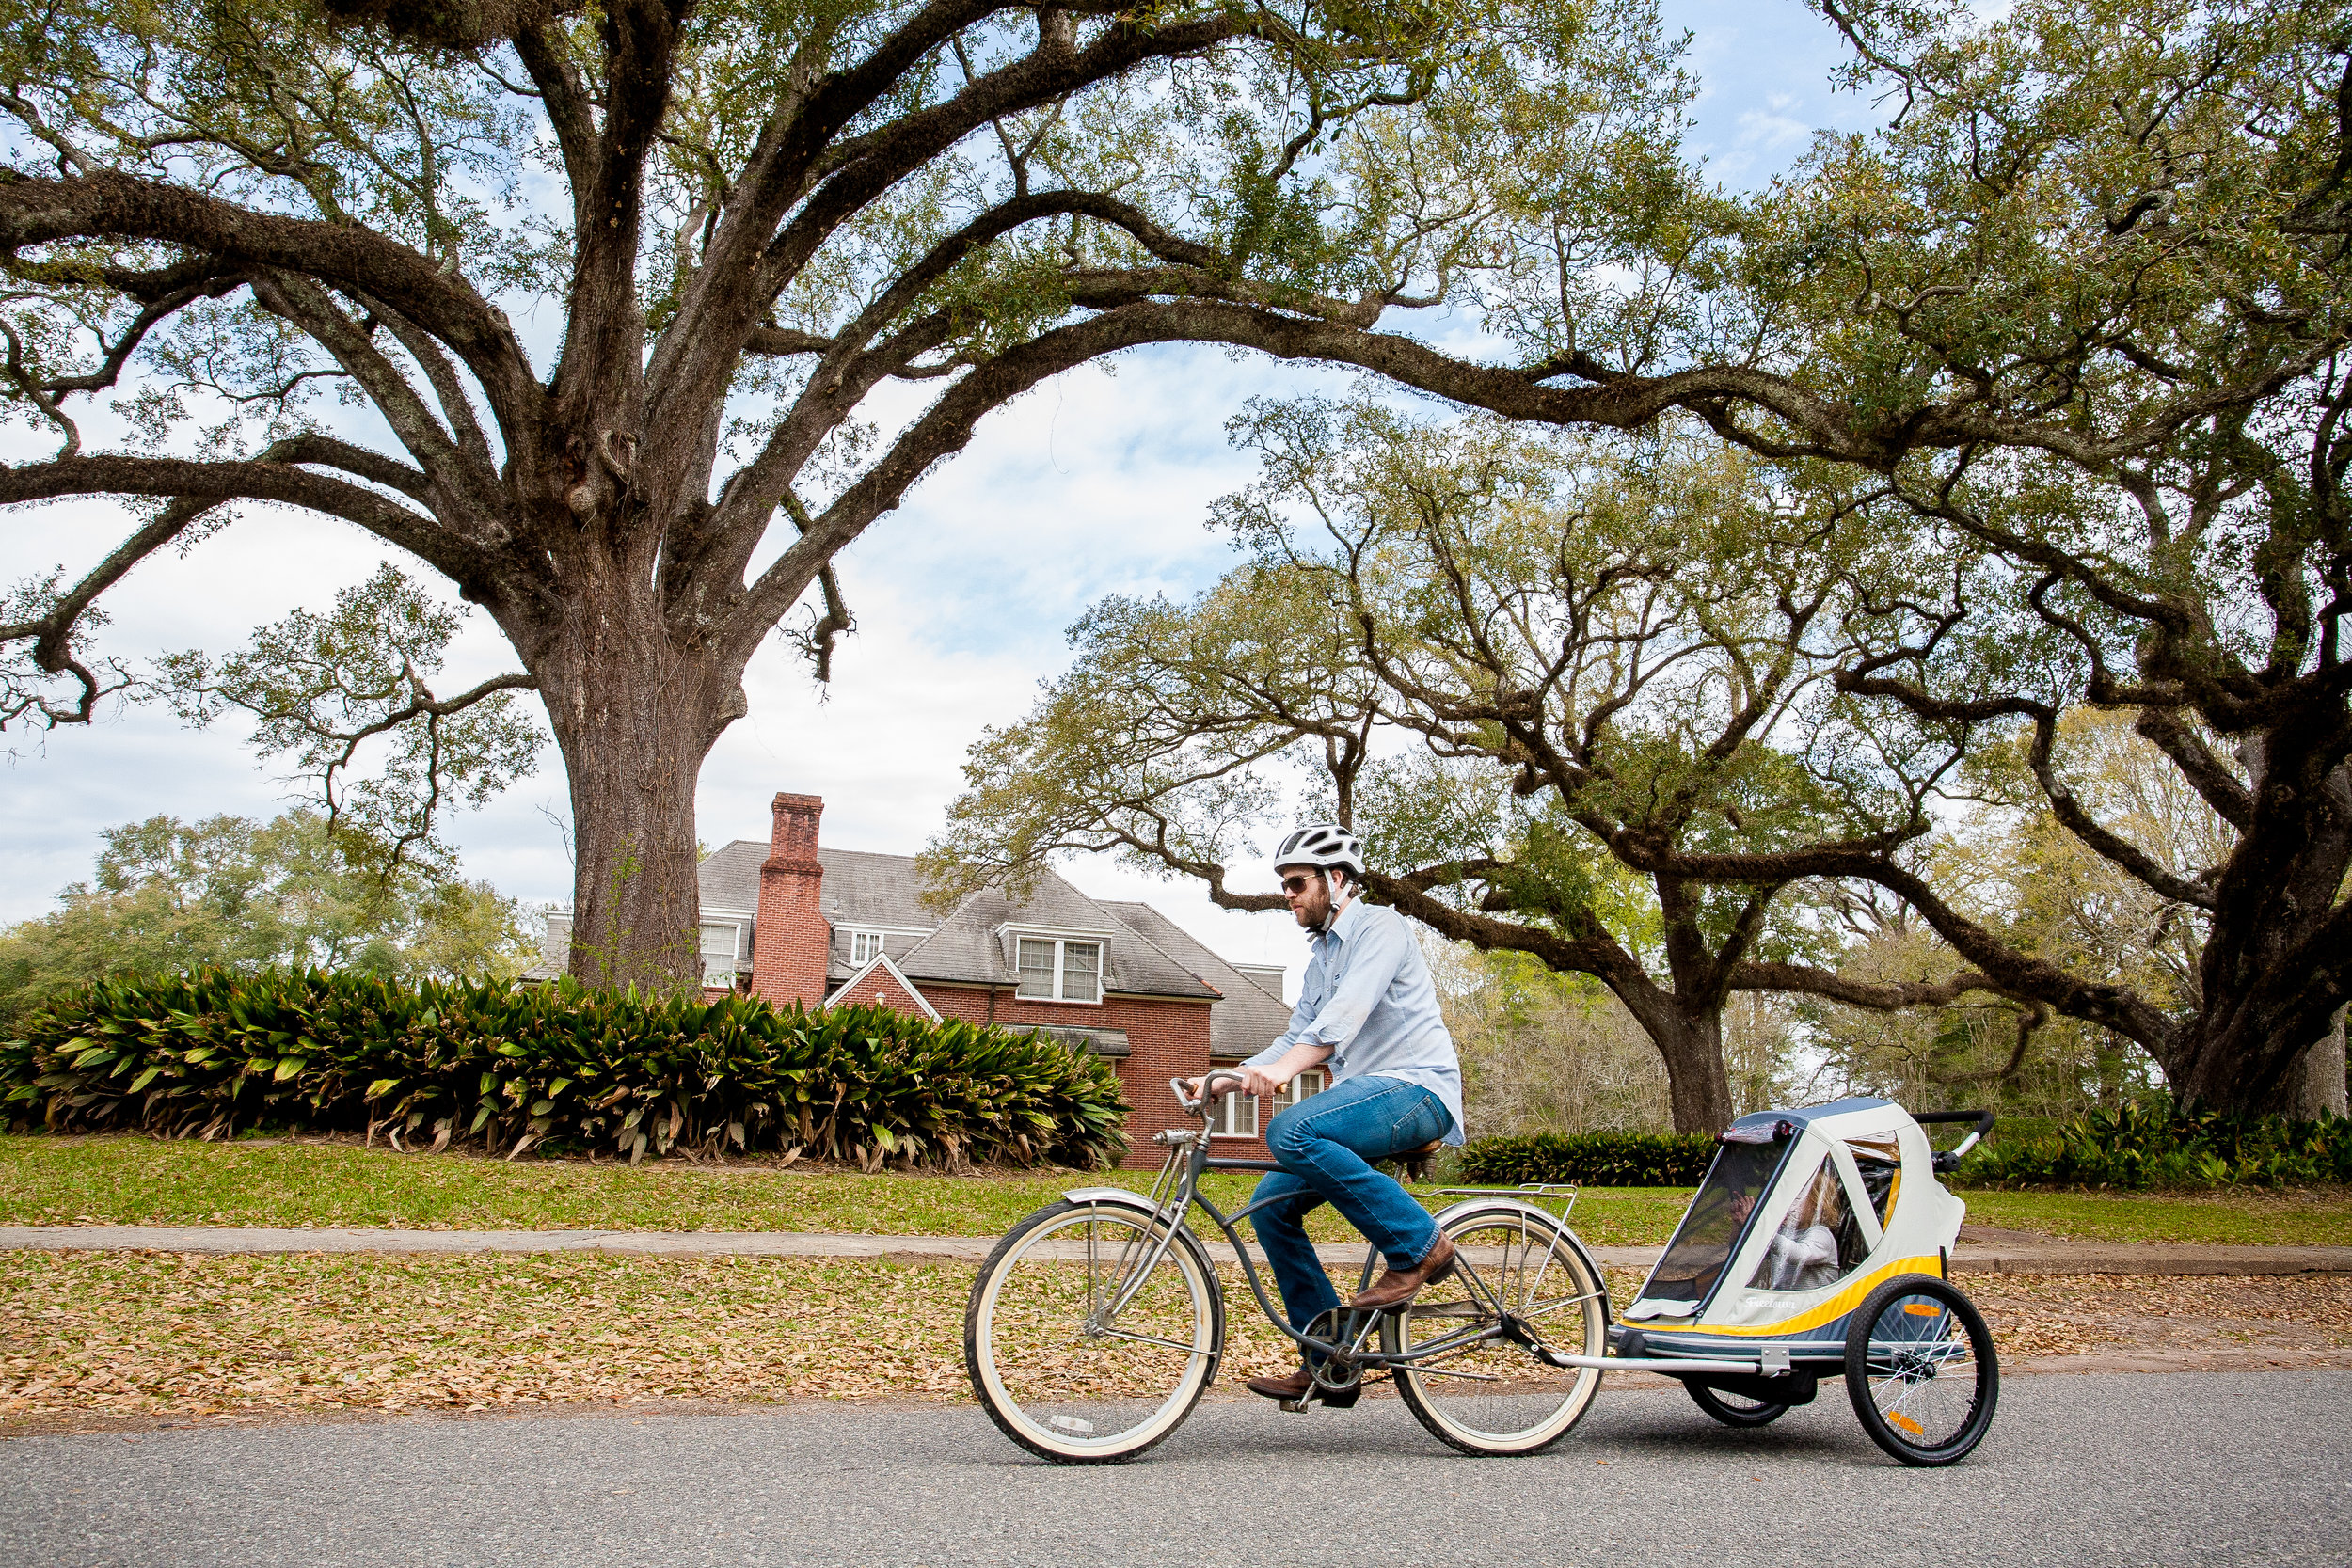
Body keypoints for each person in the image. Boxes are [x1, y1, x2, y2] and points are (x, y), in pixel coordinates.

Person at [1186, 822, 1466, 1409]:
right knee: (1271, 1207)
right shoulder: (1320, 961)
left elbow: (1342, 1020)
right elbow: (1299, 1034)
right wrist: (1229, 1076)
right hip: (1370, 1097)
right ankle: (1330, 1361)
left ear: (1336, 880)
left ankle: (1420, 1246)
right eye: (1285, 885)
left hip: (1418, 1092)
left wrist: (1285, 1074)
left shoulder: (1381, 928)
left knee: (1292, 1128)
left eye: (1297, 882)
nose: (1288, 895)